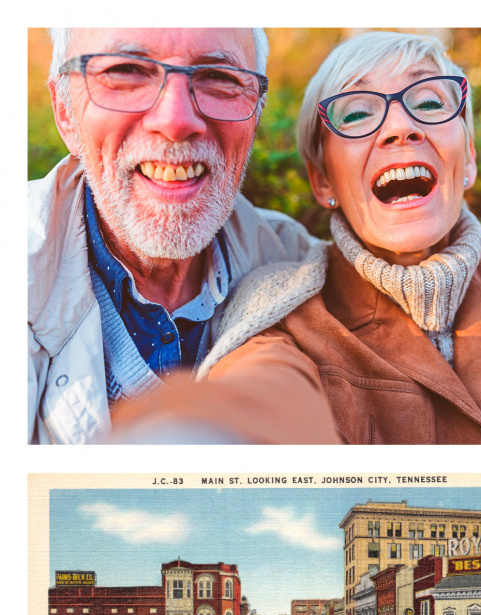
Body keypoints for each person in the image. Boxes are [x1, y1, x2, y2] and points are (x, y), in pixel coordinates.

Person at [192, 30, 481, 444]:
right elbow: (257, 405)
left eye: (429, 103)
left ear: (470, 158)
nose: (401, 127)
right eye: (356, 114)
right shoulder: (278, 317)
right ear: (322, 181)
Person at [28, 27, 338, 444]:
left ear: (256, 113)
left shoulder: (299, 266)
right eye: (126, 72)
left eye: (219, 78)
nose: (175, 121)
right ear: (65, 111)